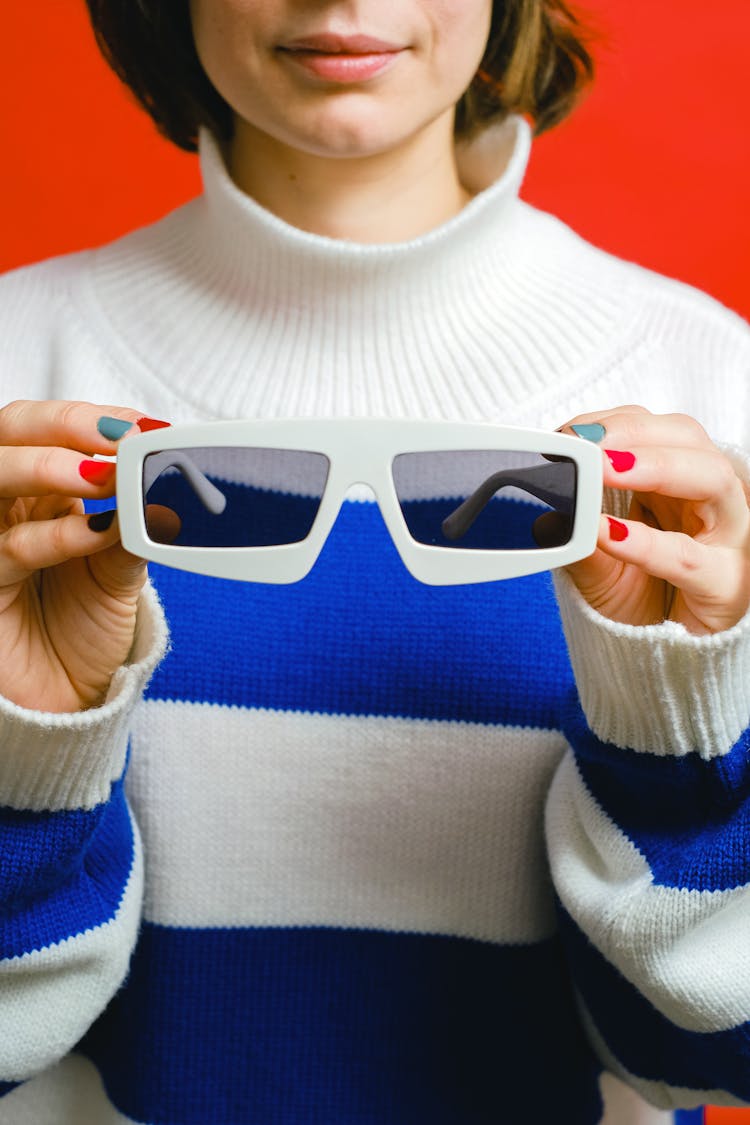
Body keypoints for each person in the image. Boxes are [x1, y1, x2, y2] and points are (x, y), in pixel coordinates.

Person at [0, 1, 748, 1122]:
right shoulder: (19, 377)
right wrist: (24, 758)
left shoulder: (713, 398)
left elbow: (717, 1055)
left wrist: (678, 734)